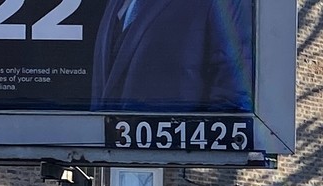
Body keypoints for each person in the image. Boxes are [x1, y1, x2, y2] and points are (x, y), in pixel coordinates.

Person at [90, 0, 253, 113]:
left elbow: (233, 95)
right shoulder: (115, 4)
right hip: (110, 153)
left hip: (176, 154)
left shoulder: (222, 4)